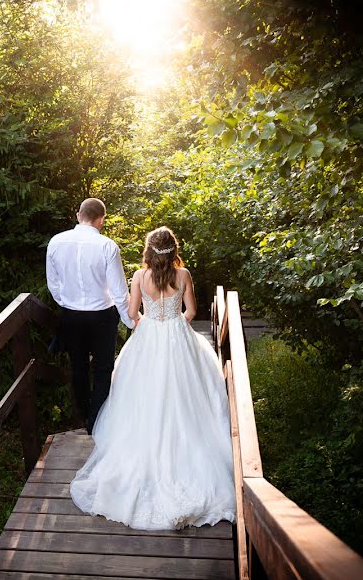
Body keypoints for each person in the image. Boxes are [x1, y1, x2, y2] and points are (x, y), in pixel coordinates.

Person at [69, 226, 236, 530]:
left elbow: (132, 314)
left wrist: (149, 323)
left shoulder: (138, 277)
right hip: (177, 335)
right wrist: (175, 325)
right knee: (185, 396)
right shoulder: (183, 275)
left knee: (140, 396)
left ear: (148, 250)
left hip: (147, 337)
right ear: (173, 250)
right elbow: (192, 311)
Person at [46, 198, 135, 435]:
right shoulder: (107, 246)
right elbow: (119, 291)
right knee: (103, 368)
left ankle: (84, 414)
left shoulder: (56, 242)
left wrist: (68, 305)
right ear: (101, 219)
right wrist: (131, 321)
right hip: (102, 317)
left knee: (78, 367)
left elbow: (53, 284)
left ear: (78, 215)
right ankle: (97, 421)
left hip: (71, 316)